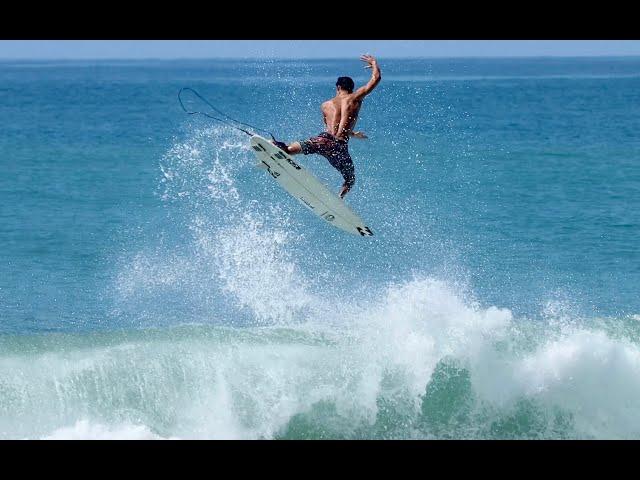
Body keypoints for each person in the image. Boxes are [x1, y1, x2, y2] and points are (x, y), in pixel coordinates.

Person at [273, 54, 382, 199]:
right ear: (352, 88)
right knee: (350, 179)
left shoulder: (325, 105)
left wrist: (353, 134)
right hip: (339, 148)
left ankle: (277, 146)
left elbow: (331, 129)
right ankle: (339, 199)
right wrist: (374, 63)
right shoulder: (355, 98)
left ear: (338, 87)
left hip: (324, 141)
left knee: (290, 149)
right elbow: (376, 79)